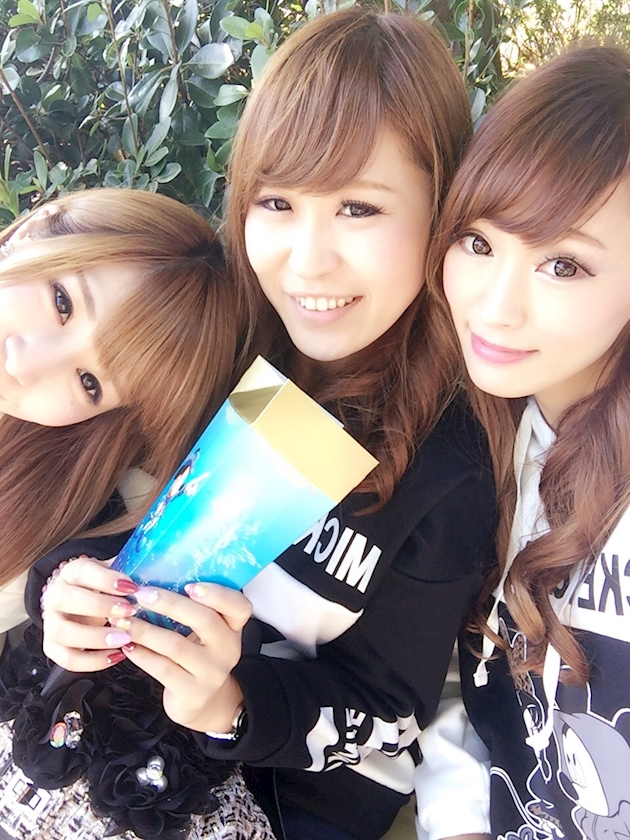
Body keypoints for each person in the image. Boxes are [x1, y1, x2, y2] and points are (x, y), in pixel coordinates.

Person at [23, 10, 496, 840]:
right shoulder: (223, 352)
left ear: (441, 212)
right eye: (277, 201)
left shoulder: (450, 464)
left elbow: (391, 716)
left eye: (358, 208)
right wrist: (64, 594)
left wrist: (231, 703)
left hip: (284, 806)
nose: (307, 260)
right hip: (105, 748)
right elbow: (89, 514)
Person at [416, 44, 630, 840]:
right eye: (478, 242)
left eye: (563, 265)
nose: (495, 307)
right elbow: (461, 681)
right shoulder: (477, 444)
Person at [0, 187, 244, 652]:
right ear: (34, 228)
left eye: (89, 382)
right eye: (62, 302)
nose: (24, 365)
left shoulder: (37, 512)